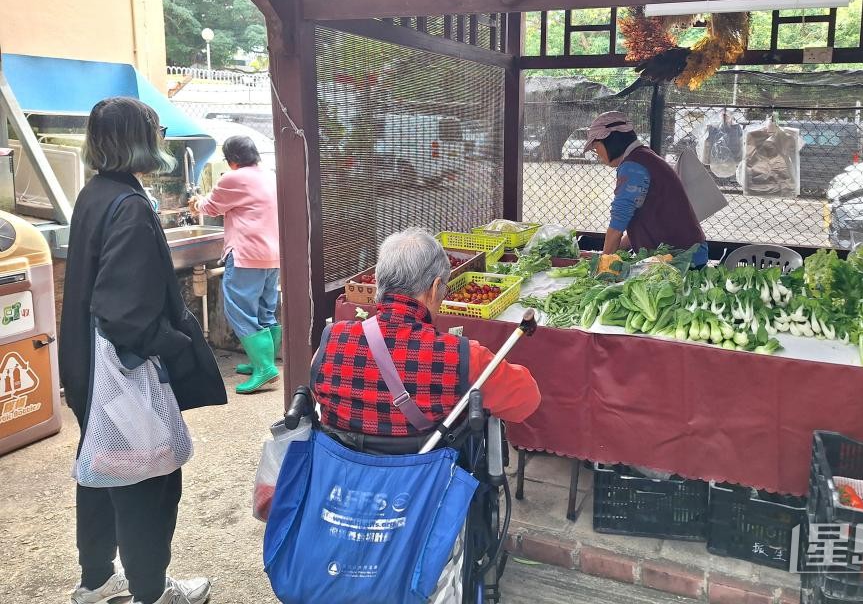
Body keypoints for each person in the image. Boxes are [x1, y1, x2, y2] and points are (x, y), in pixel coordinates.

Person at [61, 97, 226, 604]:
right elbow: (124, 314)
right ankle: (150, 591)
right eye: (155, 130)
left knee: (100, 468)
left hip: (87, 369)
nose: (159, 140)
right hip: (124, 371)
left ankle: (96, 581)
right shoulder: (130, 207)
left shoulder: (96, 193)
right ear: (139, 138)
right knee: (147, 483)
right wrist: (176, 345)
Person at [314, 228, 540, 447]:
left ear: (379, 283)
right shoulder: (461, 356)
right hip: (430, 479)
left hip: (345, 477)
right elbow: (527, 399)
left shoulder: (332, 340)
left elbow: (320, 397)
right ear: (434, 289)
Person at [190, 136, 280, 394]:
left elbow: (211, 206)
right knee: (265, 310)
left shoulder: (233, 178)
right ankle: (262, 362)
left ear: (231, 160)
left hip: (246, 255)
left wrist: (196, 202)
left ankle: (264, 369)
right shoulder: (269, 175)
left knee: (240, 311)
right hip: (272, 255)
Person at [583, 111, 708, 271]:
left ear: (610, 140)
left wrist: (601, 267)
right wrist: (610, 254)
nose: (597, 154)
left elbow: (618, 224)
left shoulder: (633, 167)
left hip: (683, 259)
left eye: (596, 147)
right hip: (686, 254)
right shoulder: (644, 157)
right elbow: (634, 221)